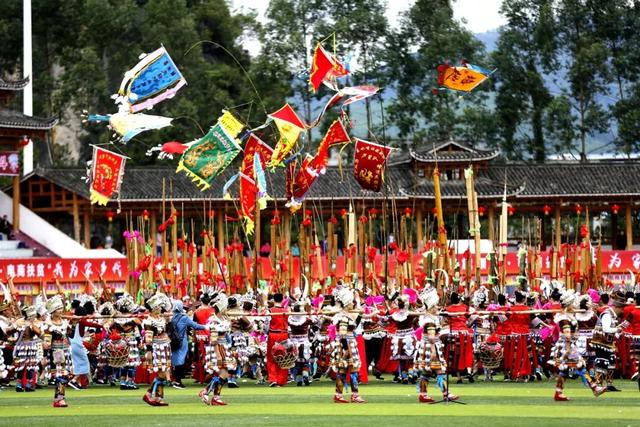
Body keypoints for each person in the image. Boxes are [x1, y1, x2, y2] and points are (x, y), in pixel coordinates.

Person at [330, 284, 365, 403]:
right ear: (346, 303)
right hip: (347, 345)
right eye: (351, 302)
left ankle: (339, 395)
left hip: (349, 343)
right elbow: (343, 334)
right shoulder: (343, 317)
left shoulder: (346, 315)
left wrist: (360, 314)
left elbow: (354, 325)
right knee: (351, 369)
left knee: (344, 370)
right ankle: (353, 395)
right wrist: (345, 349)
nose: (353, 304)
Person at [142, 293, 173, 406]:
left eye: (160, 306)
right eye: (158, 307)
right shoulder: (149, 321)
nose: (160, 308)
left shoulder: (161, 319)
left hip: (165, 347)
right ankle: (149, 394)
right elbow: (148, 339)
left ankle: (158, 397)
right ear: (153, 308)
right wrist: (149, 352)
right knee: (162, 373)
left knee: (163, 372)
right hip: (157, 348)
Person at [171, 300, 206, 389]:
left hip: (173, 341)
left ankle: (175, 379)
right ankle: (178, 381)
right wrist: (206, 326)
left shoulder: (172, 317)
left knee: (175, 361)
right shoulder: (184, 317)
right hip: (182, 341)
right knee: (181, 361)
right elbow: (195, 325)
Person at [266, 293, 289, 387]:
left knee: (272, 357)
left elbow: (265, 325)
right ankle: (281, 380)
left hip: (273, 334)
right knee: (284, 357)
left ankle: (273, 379)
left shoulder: (270, 311)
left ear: (273, 300)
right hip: (284, 334)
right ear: (282, 300)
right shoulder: (287, 310)